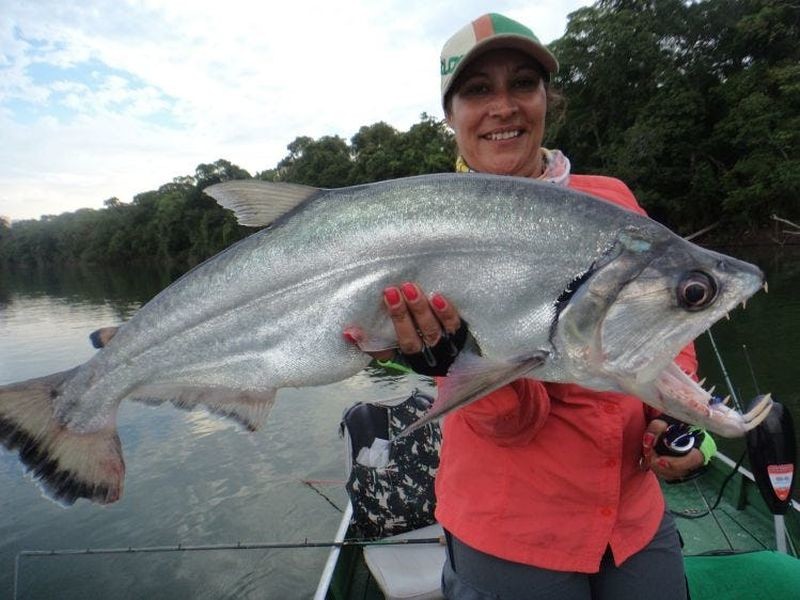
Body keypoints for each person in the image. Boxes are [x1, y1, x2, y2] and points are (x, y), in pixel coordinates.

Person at [349, 13, 716, 600]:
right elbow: (514, 425)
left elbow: (669, 322)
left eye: (522, 83)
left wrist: (671, 411)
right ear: (450, 115)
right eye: (477, 90)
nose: (503, 106)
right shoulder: (430, 227)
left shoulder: (612, 198)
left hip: (634, 518)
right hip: (511, 533)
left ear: (548, 98)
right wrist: (457, 362)